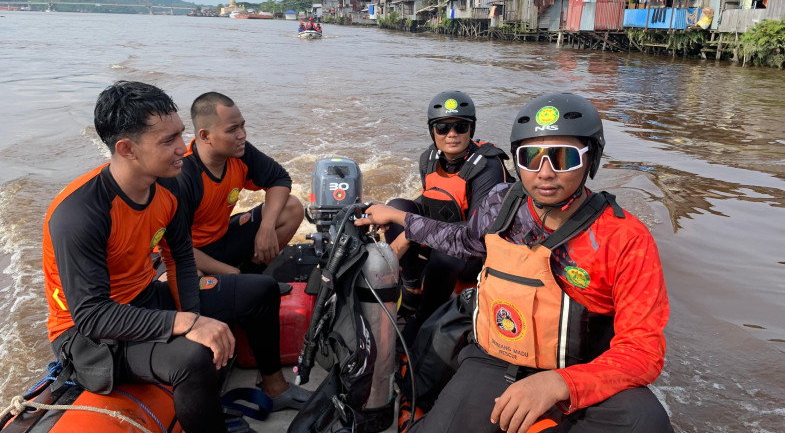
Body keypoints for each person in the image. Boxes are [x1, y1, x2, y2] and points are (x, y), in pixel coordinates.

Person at [357, 93, 672, 433]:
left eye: (563, 157)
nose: (545, 173)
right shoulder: (500, 205)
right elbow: (461, 240)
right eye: (531, 157)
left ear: (590, 159)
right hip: (495, 357)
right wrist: (400, 219)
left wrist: (559, 383)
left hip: (580, 367)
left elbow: (643, 350)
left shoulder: (624, 238)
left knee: (647, 421)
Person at [43, 81, 306, 433]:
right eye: (168, 141)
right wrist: (189, 326)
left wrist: (194, 316)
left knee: (260, 290)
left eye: (181, 135)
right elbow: (91, 315)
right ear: (127, 149)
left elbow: (180, 259)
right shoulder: (80, 213)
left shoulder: (166, 185)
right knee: (192, 357)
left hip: (143, 298)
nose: (184, 149)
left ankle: (275, 387)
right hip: (90, 337)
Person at [385, 90, 510, 344]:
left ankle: (423, 316)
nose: (451, 134)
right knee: (395, 207)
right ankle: (411, 289)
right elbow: (431, 200)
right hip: (440, 237)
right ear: (433, 131)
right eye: (442, 128)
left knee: (445, 253)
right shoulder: (428, 159)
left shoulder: (488, 167)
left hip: (474, 253)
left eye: (460, 127)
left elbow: (477, 233)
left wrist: (411, 233)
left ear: (471, 129)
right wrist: (398, 219)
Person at [176, 91, 304, 276]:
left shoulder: (240, 153)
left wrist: (266, 227)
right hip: (193, 253)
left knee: (292, 206)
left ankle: (254, 274)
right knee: (191, 278)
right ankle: (240, 280)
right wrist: (232, 274)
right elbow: (176, 248)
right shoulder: (184, 175)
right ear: (205, 136)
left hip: (224, 236)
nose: (242, 135)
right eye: (232, 130)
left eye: (242, 126)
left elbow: (280, 179)